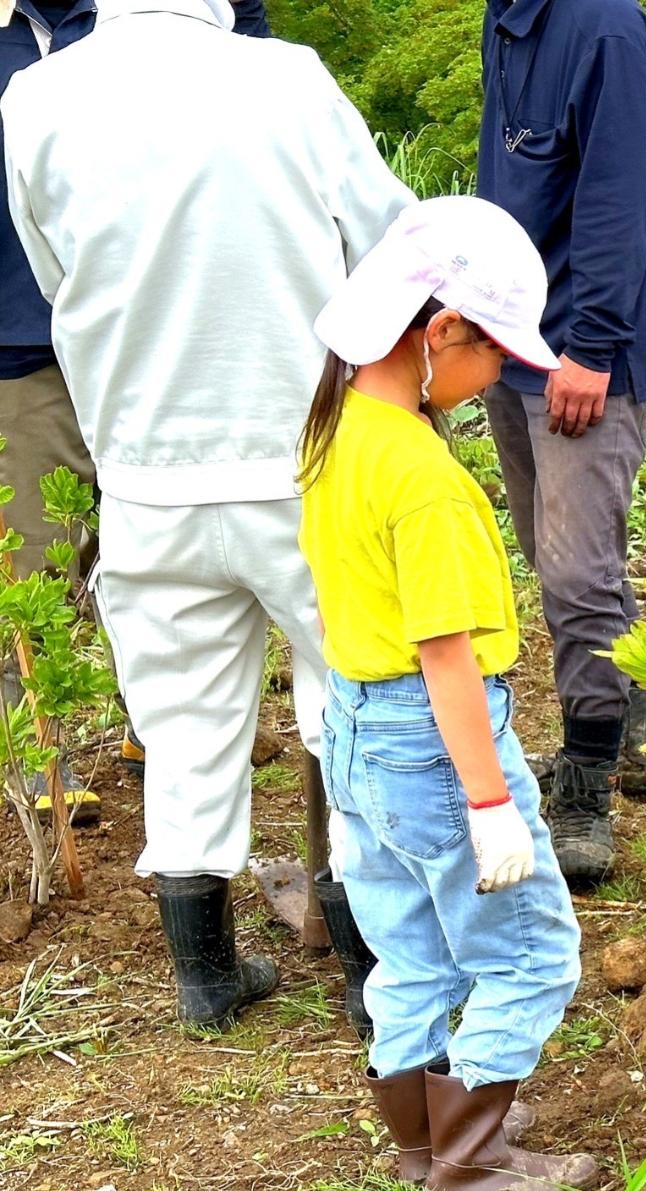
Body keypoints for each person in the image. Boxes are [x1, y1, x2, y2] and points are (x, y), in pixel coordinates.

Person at [3, 0, 411, 1029]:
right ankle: (375, 977)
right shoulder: (288, 79)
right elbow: (392, 241)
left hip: (142, 466)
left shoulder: (35, 99)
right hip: (302, 460)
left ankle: (207, 977)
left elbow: (55, 276)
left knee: (182, 725)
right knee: (355, 704)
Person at [300, 195, 598, 1191]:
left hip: (356, 731)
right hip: (433, 746)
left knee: (412, 948)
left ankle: (423, 1139)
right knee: (531, 948)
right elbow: (446, 660)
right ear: (441, 334)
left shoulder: (338, 431)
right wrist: (488, 803)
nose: (499, 379)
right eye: (496, 357)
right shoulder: (423, 477)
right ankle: (472, 1157)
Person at [0, 0, 266, 816]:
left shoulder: (153, 20)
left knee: (152, 543)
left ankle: (160, 729)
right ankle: (37, 761)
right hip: (24, 340)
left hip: (152, 332)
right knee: (36, 559)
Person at [477, 0, 646, 890]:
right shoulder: (506, 18)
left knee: (575, 577)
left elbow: (618, 194)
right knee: (556, 560)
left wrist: (591, 345)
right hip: (517, 343)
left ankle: (587, 782)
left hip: (587, 354)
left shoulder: (603, 27)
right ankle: (632, 715)